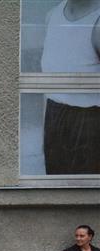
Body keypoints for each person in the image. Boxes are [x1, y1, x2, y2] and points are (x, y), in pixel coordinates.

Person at [40, 0, 100, 174]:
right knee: (57, 192)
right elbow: (48, 87)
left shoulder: (97, 22)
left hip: (90, 125)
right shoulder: (52, 16)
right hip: (54, 119)